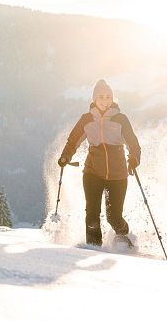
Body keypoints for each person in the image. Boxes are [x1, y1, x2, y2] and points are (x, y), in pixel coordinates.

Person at [59, 79, 141, 246]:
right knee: (92, 213)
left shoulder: (121, 119)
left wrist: (134, 158)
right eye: (101, 97)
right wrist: (65, 156)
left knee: (114, 217)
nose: (105, 100)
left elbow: (133, 144)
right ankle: (93, 246)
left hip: (118, 174)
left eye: (108, 97)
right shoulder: (86, 119)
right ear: (94, 99)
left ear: (113, 99)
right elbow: (73, 140)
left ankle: (123, 234)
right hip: (92, 172)